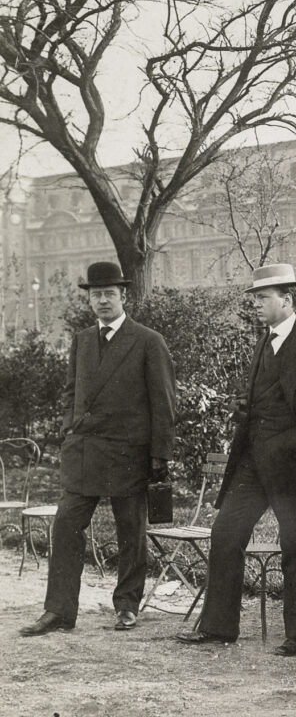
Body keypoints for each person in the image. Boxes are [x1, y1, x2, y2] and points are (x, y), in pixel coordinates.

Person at [177, 263, 296, 655]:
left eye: (263, 298)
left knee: (295, 541)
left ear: (287, 299)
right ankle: (218, 628)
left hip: (293, 463)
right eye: (256, 298)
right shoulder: (262, 342)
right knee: (226, 533)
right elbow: (264, 398)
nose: (257, 305)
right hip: (251, 461)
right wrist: (242, 410)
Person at [20, 261, 176, 636]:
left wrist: (159, 457)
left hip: (128, 453)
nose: (102, 301)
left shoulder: (148, 341)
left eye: (109, 294)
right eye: (96, 295)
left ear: (124, 296)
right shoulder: (83, 340)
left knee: (130, 531)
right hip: (85, 451)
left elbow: (165, 402)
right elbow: (73, 393)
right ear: (89, 300)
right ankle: (58, 611)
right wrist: (68, 429)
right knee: (67, 525)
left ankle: (127, 605)